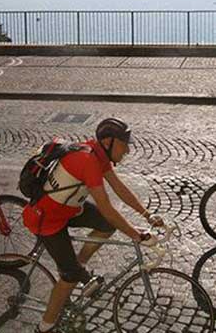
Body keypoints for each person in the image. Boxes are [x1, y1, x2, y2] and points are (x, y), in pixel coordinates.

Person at [22, 118, 163, 333]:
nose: (126, 150)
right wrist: (136, 235)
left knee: (107, 225)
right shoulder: (88, 161)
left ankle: (78, 266)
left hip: (68, 210)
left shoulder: (97, 154)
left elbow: (119, 188)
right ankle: (45, 327)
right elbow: (106, 207)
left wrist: (146, 214)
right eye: (124, 144)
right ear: (108, 142)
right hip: (47, 218)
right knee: (68, 278)